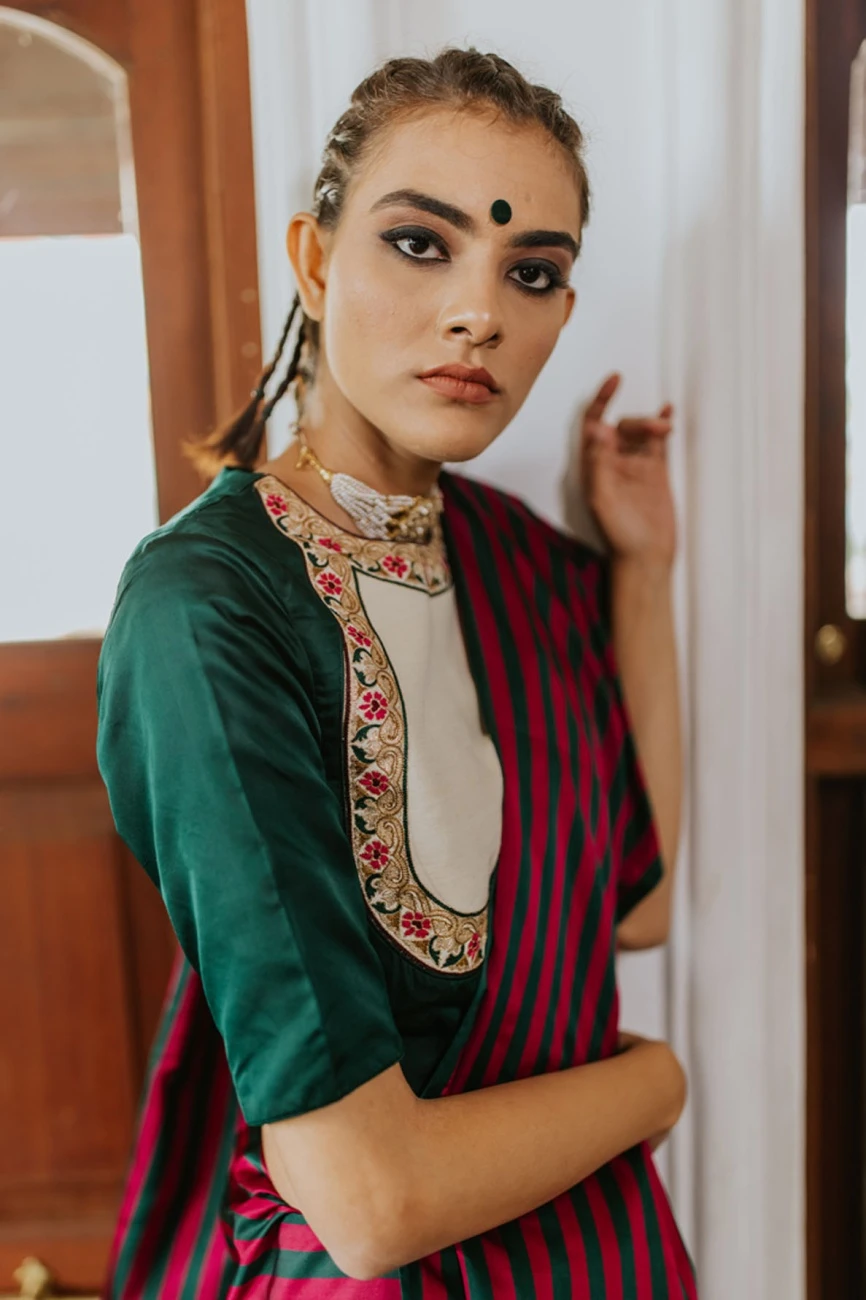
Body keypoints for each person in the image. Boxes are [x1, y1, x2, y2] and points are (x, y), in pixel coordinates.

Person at [96, 45, 695, 1298]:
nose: (480, 311)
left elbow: (629, 903)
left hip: (588, 1261)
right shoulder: (209, 605)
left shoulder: (521, 562)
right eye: (420, 243)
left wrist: (639, 571)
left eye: (530, 270)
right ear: (314, 262)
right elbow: (369, 1202)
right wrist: (655, 1081)